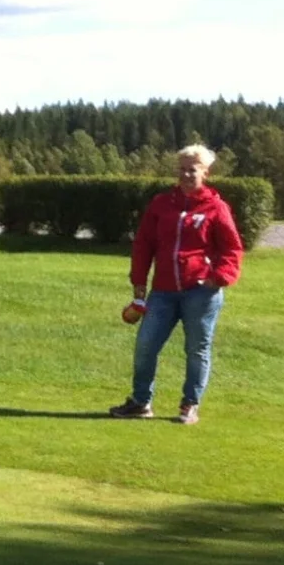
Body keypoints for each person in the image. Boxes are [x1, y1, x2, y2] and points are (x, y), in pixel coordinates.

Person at [110, 144, 243, 425]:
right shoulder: (161, 204)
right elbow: (144, 245)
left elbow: (232, 250)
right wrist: (138, 283)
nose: (185, 175)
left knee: (197, 350)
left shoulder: (216, 208)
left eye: (191, 170)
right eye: (181, 169)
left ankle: (189, 405)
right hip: (163, 292)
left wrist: (216, 278)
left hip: (201, 294)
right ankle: (140, 402)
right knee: (146, 345)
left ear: (205, 172)